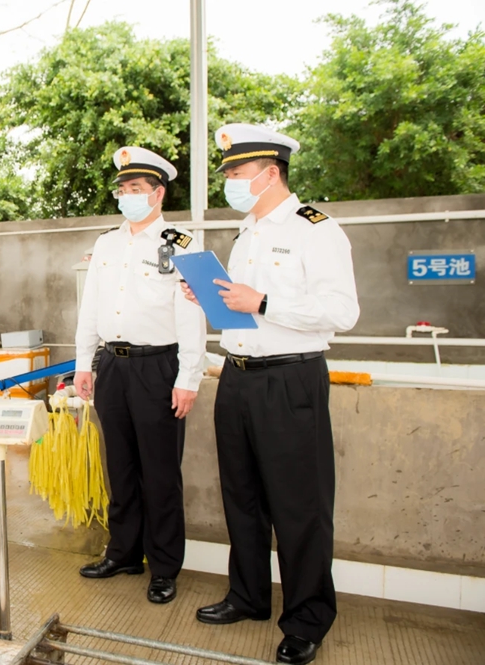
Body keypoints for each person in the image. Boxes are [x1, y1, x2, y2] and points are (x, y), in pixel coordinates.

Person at [183, 124, 359, 665]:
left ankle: (307, 619)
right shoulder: (246, 232)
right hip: (237, 377)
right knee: (242, 498)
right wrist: (210, 298)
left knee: (300, 506)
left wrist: (261, 302)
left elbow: (343, 312)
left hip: (289, 381)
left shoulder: (315, 229)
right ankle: (248, 595)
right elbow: (241, 309)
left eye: (237, 172)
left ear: (271, 172)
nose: (230, 182)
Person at [74, 147, 207, 605]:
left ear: (158, 193)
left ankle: (164, 567)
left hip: (159, 367)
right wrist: (84, 362)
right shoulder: (107, 244)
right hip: (112, 365)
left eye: (136, 188)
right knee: (121, 467)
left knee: (161, 472)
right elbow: (90, 306)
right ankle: (124, 553)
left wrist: (189, 376)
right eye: (122, 189)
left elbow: (193, 314)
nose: (126, 195)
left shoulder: (182, 244)